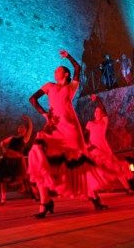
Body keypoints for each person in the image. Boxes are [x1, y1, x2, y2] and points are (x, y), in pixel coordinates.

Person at [27, 49, 112, 218]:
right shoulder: (49, 86)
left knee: (79, 162)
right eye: (56, 70)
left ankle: (95, 198)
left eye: (59, 70)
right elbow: (32, 99)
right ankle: (45, 201)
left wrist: (68, 57)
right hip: (55, 127)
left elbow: (78, 69)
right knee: (37, 151)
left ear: (66, 74)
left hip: (71, 128)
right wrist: (45, 114)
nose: (55, 71)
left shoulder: (71, 87)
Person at [85, 95, 134, 195]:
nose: (97, 113)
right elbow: (85, 134)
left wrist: (98, 99)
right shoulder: (90, 123)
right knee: (94, 170)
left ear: (102, 114)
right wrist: (87, 145)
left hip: (104, 148)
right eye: (95, 111)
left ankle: (128, 188)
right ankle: (92, 192)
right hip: (94, 149)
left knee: (115, 168)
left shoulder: (104, 122)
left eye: (99, 111)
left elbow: (104, 108)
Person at [0, 115, 36, 205]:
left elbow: (31, 128)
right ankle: (3, 199)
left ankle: (34, 195)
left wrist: (29, 120)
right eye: (19, 127)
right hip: (8, 159)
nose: (20, 128)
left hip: (17, 160)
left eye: (23, 127)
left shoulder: (25, 138)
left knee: (24, 178)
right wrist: (3, 149)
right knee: (2, 179)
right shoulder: (12, 137)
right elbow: (2, 142)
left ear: (25, 131)